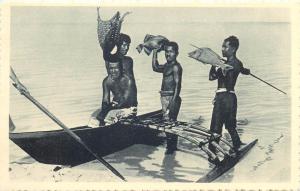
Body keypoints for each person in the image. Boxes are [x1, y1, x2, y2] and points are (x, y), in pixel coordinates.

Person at [208, 36, 250, 164]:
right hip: (229, 97)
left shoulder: (227, 65)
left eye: (225, 47)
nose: (222, 49)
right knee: (230, 126)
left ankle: (212, 155)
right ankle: (237, 145)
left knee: (215, 128)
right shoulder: (236, 63)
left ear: (233, 49)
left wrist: (216, 64)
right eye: (222, 46)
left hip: (224, 97)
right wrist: (214, 64)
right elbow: (242, 70)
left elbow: (215, 77)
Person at [152, 41, 183, 155]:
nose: (168, 54)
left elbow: (178, 85)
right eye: (166, 51)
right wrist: (155, 51)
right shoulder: (166, 65)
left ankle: (171, 149)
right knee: (168, 122)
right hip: (164, 97)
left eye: (171, 51)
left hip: (171, 97)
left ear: (176, 53)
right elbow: (155, 67)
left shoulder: (176, 67)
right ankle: (171, 148)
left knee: (170, 124)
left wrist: (173, 102)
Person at [90, 59, 138, 127]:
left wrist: (108, 109)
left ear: (121, 69)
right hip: (113, 106)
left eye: (116, 68)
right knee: (94, 117)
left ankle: (105, 129)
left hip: (129, 108)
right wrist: (103, 111)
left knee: (109, 117)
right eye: (111, 68)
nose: (113, 71)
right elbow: (105, 101)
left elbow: (125, 102)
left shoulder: (128, 81)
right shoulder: (106, 81)